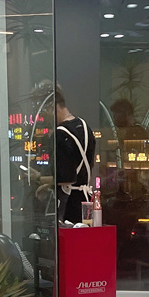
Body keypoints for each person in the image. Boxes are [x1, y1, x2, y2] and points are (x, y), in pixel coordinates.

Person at [29, 83, 95, 224]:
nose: (42, 116)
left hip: (69, 206)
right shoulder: (84, 126)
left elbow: (66, 178)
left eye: (43, 110)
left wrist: (39, 178)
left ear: (53, 106)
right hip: (85, 201)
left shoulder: (60, 134)